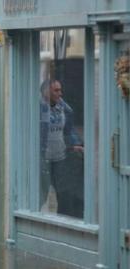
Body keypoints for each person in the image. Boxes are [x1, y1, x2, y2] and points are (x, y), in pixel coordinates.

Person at [40, 79, 84, 218]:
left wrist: (75, 144)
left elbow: (68, 130)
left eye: (60, 90)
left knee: (63, 193)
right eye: (56, 90)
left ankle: (63, 223)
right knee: (41, 194)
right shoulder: (37, 107)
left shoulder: (64, 107)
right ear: (46, 92)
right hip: (43, 159)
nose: (60, 93)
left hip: (60, 157)